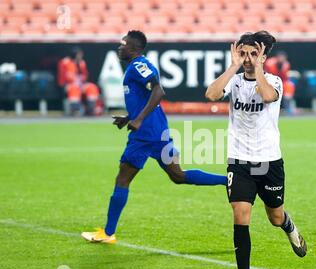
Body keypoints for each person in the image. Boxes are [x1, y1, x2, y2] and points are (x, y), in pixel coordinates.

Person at [81, 30, 227, 244]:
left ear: (134, 48)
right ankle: (228, 181)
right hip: (158, 130)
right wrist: (129, 117)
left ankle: (108, 233)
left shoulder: (139, 65)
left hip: (145, 135)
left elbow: (159, 91)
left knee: (123, 178)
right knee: (178, 175)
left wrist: (138, 120)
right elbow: (147, 97)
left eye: (123, 44)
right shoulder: (136, 66)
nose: (120, 47)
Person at [205, 31, 307, 269]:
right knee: (241, 215)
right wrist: (233, 66)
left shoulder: (274, 81)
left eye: (253, 54)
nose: (248, 58)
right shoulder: (235, 81)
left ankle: (289, 225)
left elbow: (267, 97)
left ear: (263, 56)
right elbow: (212, 94)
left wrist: (259, 68)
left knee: (274, 216)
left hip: (269, 162)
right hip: (239, 161)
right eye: (244, 53)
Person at [57, 47, 101, 116]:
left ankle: (91, 109)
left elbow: (85, 75)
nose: (80, 56)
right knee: (74, 89)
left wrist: (82, 79)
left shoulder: (82, 63)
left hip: (80, 84)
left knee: (92, 87)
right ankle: (75, 110)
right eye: (79, 55)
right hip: (69, 85)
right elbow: (63, 77)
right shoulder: (65, 62)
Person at [264, 51, 298, 115]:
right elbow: (265, 75)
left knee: (290, 85)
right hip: (270, 81)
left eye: (283, 58)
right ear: (277, 57)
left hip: (282, 82)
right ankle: (267, 110)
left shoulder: (286, 64)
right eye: (280, 57)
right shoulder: (269, 63)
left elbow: (285, 78)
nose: (281, 59)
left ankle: (289, 110)